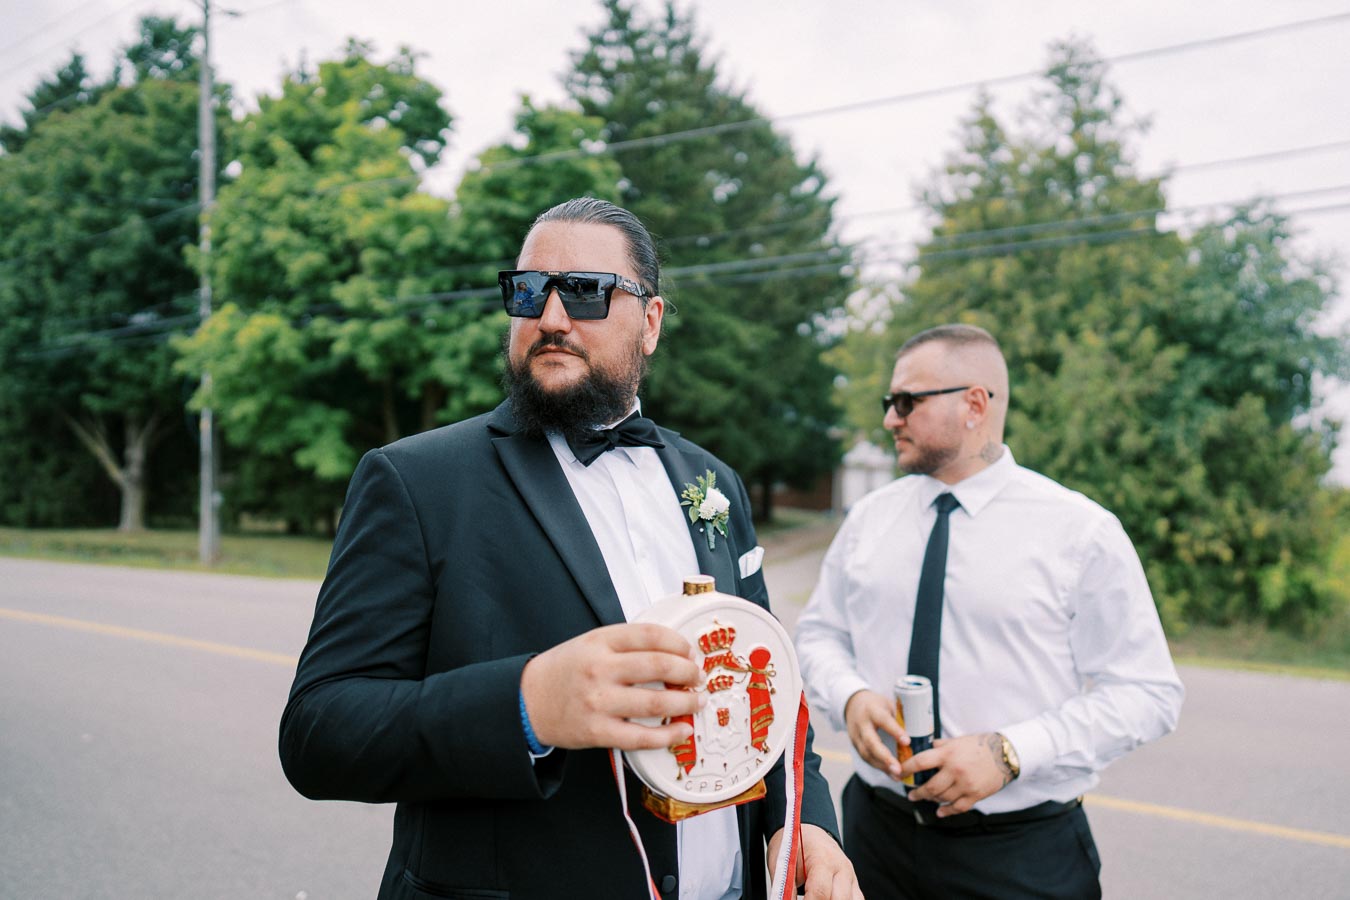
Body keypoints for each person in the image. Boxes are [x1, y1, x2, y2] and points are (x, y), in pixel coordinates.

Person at [279, 198, 860, 900]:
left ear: (650, 323)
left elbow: (768, 682)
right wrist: (525, 706)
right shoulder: (416, 480)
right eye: (529, 293)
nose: (551, 317)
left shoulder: (714, 484)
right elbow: (320, 734)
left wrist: (807, 828)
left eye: (584, 292)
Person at [794, 324, 1183, 899]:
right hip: (875, 836)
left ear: (975, 404)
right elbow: (820, 634)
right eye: (888, 403)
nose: (889, 419)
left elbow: (1149, 693)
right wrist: (850, 695)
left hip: (1019, 855)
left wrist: (1012, 751)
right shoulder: (869, 520)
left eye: (906, 402)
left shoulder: (1081, 531)